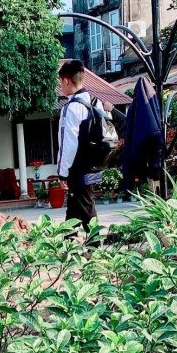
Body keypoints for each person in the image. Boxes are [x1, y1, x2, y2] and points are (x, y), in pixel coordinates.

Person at [57, 60, 107, 230]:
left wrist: (63, 173)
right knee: (76, 205)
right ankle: (67, 241)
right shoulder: (95, 102)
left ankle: (95, 246)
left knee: (85, 205)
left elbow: (68, 144)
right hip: (95, 164)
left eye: (60, 82)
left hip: (78, 168)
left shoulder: (71, 108)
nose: (60, 87)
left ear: (66, 80)